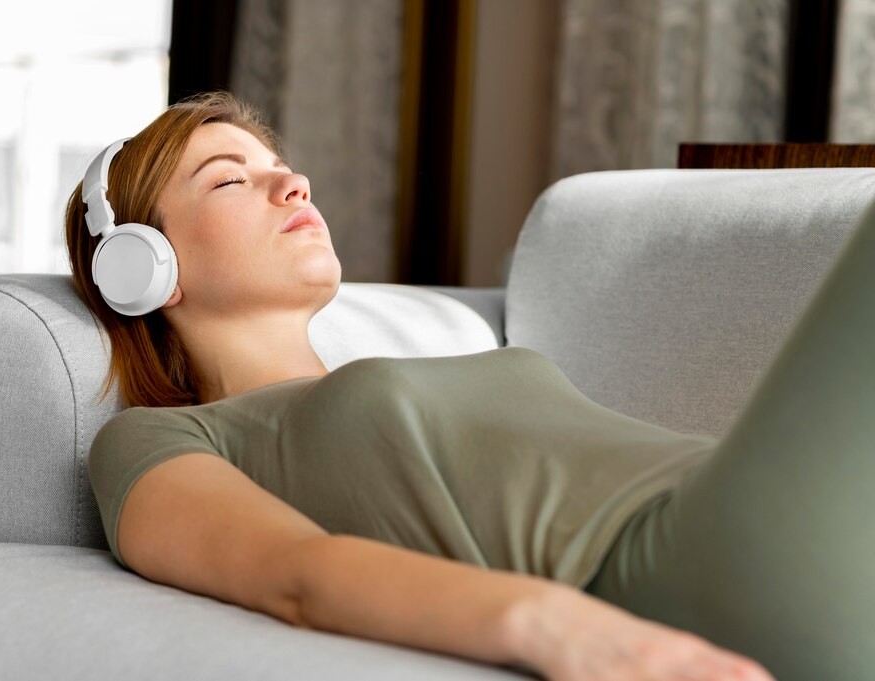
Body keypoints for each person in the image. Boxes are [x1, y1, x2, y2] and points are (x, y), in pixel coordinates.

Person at [65, 91, 871, 681]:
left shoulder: (393, 373)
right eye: (230, 179)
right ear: (143, 267)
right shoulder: (160, 439)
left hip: (757, 495)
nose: (295, 184)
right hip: (695, 558)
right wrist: (553, 627)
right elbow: (295, 572)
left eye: (282, 166)